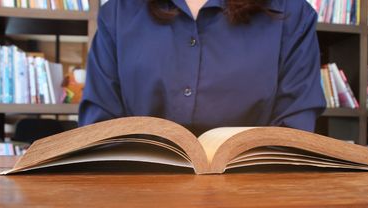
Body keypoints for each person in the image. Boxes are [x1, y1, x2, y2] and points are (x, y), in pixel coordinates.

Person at [79, 0, 326, 134]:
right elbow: (97, 130)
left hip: (254, 202)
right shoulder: (118, 13)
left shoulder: (292, 14)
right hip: (135, 199)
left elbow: (295, 133)